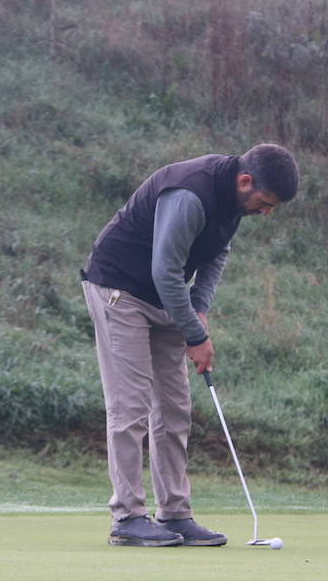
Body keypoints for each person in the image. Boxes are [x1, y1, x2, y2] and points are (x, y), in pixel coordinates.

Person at [81, 144, 299, 547]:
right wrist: (196, 337)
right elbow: (165, 271)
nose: (265, 213)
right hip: (119, 289)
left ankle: (175, 514)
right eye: (264, 203)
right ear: (245, 181)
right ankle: (127, 517)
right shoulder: (190, 194)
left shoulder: (234, 202)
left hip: (164, 298)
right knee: (130, 406)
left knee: (173, 407)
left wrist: (197, 309)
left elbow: (215, 257)